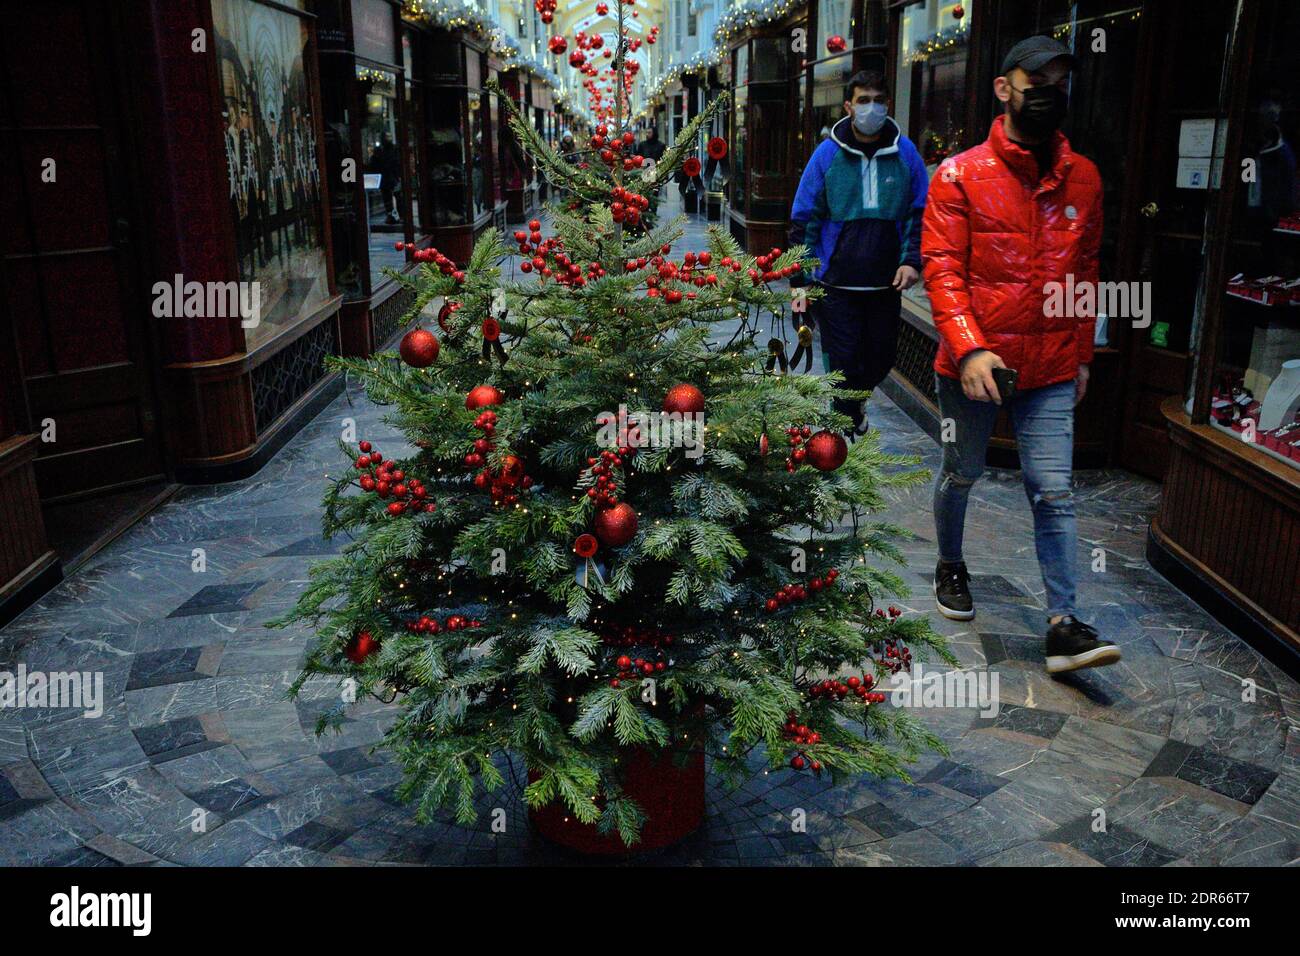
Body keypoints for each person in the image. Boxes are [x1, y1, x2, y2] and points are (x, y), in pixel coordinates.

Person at [921, 35, 1118, 675]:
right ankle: (951, 563)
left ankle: (1064, 625)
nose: (1049, 94)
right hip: (976, 367)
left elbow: (1085, 272)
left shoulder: (1083, 177)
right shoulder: (958, 175)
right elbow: (942, 270)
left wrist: (1083, 353)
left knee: (1053, 490)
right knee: (963, 471)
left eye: (1060, 81)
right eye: (1037, 81)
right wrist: (970, 347)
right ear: (1004, 89)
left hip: (1053, 366)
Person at [789, 70, 928, 436]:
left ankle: (852, 407)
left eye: (878, 100)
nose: (871, 108)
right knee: (843, 363)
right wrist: (799, 288)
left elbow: (920, 211)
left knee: (882, 359)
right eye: (863, 100)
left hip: (885, 285)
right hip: (835, 284)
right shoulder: (827, 155)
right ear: (849, 106)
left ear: (888, 104)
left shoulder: (906, 154)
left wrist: (912, 260)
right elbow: (804, 221)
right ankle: (842, 434)